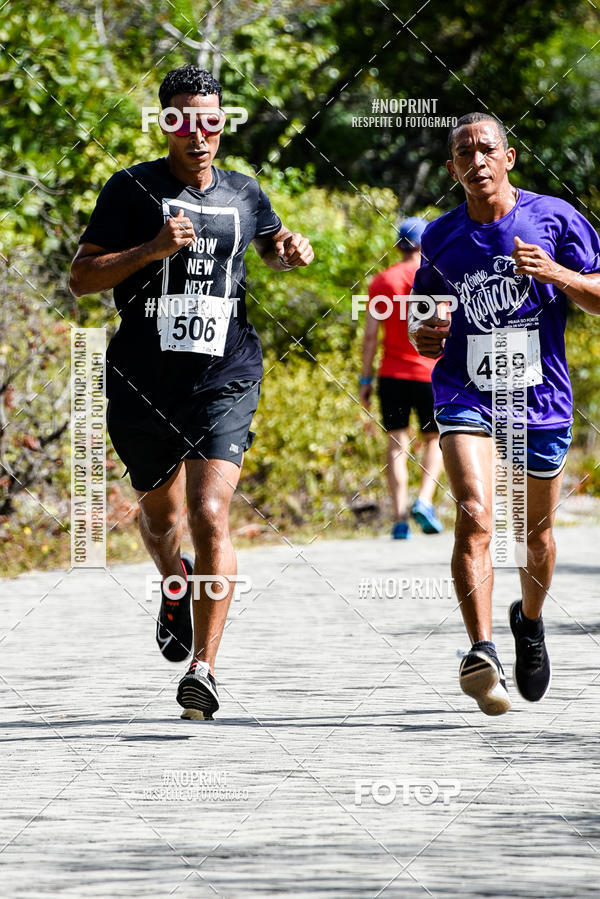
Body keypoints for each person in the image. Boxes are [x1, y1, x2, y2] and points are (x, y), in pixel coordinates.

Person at [69, 65, 314, 720]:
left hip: (223, 372)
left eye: (209, 118)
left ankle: (204, 669)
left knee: (210, 513)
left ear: (221, 123)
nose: (197, 132)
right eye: (182, 118)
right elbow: (81, 279)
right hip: (143, 378)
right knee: (160, 518)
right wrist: (149, 249)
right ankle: (174, 580)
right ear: (165, 123)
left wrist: (288, 248)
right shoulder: (131, 188)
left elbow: (268, 244)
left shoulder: (244, 191)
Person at [409, 111, 600, 715]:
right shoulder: (439, 237)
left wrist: (558, 273)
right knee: (474, 511)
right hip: (466, 391)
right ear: (452, 168)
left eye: (486, 148)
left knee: (534, 535)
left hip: (538, 398)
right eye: (463, 152)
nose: (476, 160)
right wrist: (426, 335)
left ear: (508, 157)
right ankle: (481, 650)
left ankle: (531, 620)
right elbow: (423, 319)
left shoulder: (554, 219)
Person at [360, 218, 444, 539]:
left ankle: (398, 519)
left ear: (399, 246)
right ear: (426, 244)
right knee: (433, 439)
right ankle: (424, 500)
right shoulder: (436, 277)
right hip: (429, 373)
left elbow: (370, 338)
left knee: (397, 443)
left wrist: (365, 380)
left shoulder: (382, 282)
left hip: (392, 374)